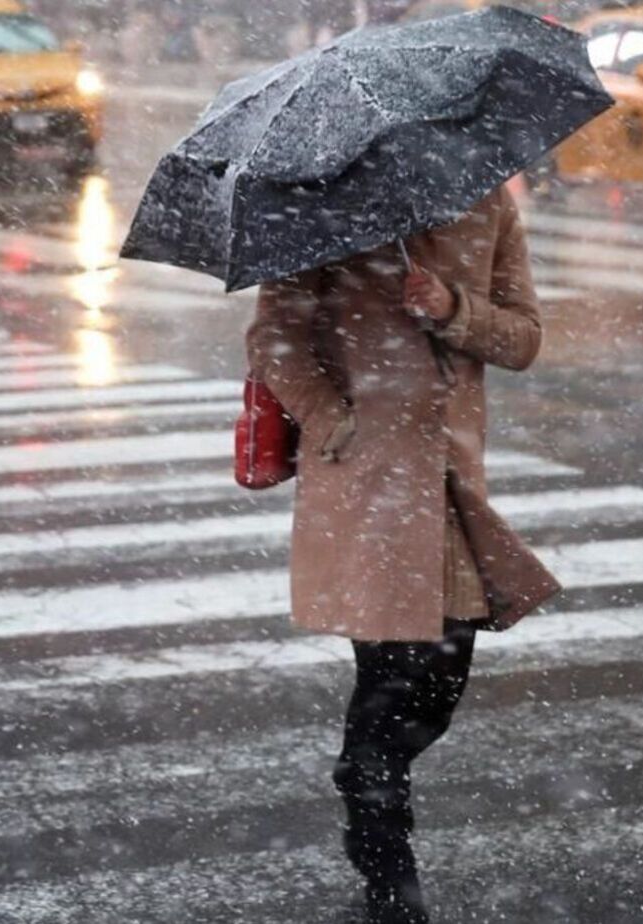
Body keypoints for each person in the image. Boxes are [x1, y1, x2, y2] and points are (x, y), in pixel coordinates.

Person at [246, 183, 560, 924]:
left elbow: (523, 339)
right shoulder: (319, 205)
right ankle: (390, 878)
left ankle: (364, 777)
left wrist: (452, 307)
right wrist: (333, 421)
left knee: (439, 687)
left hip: (452, 489)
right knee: (392, 678)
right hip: (366, 483)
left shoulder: (487, 203)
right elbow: (274, 338)